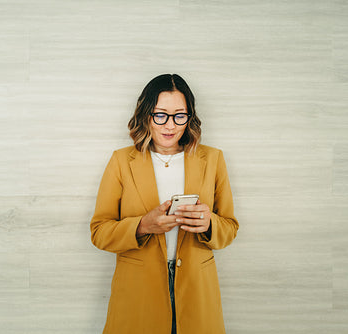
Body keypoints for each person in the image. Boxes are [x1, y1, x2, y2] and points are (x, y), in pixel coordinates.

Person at [90, 73, 239, 334]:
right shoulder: (121, 161)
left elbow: (229, 228)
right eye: (161, 115)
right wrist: (142, 226)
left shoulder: (213, 159)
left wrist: (209, 224)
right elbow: (99, 232)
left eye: (180, 115)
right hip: (138, 291)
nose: (170, 125)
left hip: (196, 288)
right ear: (146, 114)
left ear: (189, 117)